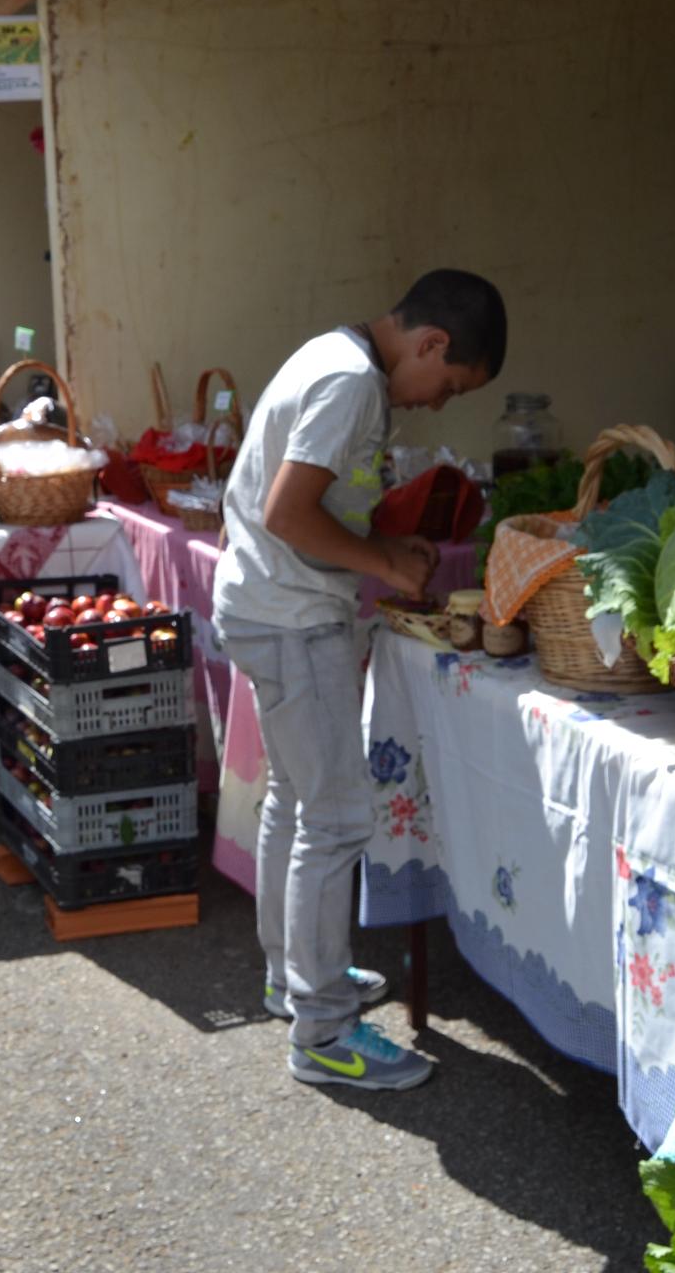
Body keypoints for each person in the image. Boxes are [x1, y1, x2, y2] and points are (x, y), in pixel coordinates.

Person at [214, 269, 506, 1093]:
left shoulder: (335, 356)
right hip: (293, 620)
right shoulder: (350, 383)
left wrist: (381, 544)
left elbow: (305, 506)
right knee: (337, 818)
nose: (438, 402)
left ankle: (294, 978)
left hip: (270, 608)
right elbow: (288, 512)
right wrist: (379, 561)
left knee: (298, 802)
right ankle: (323, 1032)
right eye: (449, 384)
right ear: (431, 343)